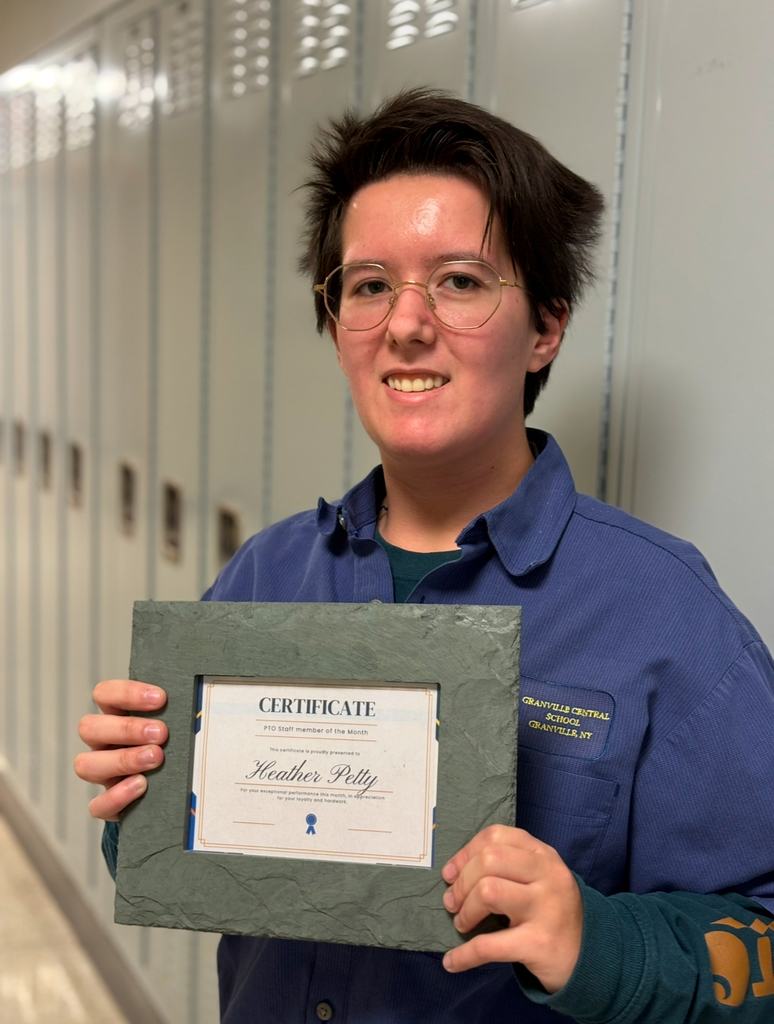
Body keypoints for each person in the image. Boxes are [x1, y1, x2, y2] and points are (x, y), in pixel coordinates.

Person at [75, 89, 774, 1023]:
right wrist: (140, 802)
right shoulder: (267, 575)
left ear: (547, 326)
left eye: (459, 280)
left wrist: (594, 943)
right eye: (368, 285)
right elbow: (177, 859)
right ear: (336, 329)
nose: (406, 324)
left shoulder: (664, 613)